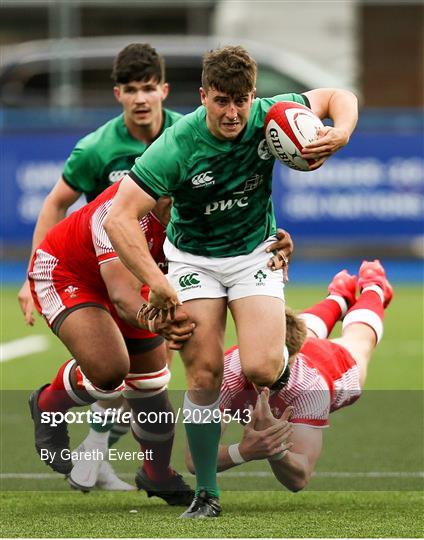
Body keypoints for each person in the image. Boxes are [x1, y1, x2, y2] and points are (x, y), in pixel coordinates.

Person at [103, 45, 358, 517]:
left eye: (241, 100)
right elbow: (118, 219)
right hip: (194, 260)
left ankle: (294, 345)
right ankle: (207, 493)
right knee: (204, 374)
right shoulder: (177, 144)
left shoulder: (271, 116)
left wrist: (339, 133)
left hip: (254, 254)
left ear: (253, 96)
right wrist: (156, 281)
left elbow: (339, 95)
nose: (233, 112)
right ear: (203, 97)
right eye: (221, 100)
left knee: (262, 368)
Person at [18, 43, 183, 491]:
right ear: (119, 95)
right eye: (131, 90)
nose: (141, 99)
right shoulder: (97, 149)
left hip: (140, 259)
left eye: (149, 88)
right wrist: (29, 278)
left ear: (164, 91)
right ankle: (54, 408)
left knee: (151, 379)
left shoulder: (187, 137)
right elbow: (56, 203)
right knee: (114, 369)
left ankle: (118, 459)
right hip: (93, 261)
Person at [27, 179, 197, 505]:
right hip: (69, 274)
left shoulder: (196, 210)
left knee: (151, 392)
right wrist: (162, 324)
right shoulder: (117, 213)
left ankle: (156, 474)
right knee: (109, 370)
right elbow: (123, 298)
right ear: (162, 193)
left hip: (131, 284)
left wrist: (272, 243)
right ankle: (47, 404)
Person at [185, 260, 393, 492]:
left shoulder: (311, 388)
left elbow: (300, 478)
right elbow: (194, 461)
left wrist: (276, 450)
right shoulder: (226, 374)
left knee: (360, 340)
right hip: (294, 352)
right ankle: (339, 296)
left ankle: (375, 286)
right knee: (300, 329)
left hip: (329, 366)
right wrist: (243, 452)